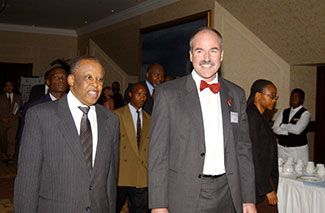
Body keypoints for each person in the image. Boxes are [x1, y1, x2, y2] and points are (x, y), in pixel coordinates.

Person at [148, 27, 256, 213]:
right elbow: (158, 154)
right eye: (200, 51)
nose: (207, 58)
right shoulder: (168, 94)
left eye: (213, 50)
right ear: (191, 56)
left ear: (221, 55)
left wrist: (248, 198)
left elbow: (243, 150)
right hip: (185, 194)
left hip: (229, 193)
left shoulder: (236, 94)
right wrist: (158, 204)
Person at [14, 56, 120, 213]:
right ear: (71, 80)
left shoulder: (111, 119)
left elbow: (110, 178)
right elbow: (27, 180)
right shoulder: (40, 116)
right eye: (88, 77)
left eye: (100, 79)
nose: (96, 84)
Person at [115, 83, 150, 213]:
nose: (142, 98)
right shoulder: (117, 115)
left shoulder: (149, 118)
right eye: (139, 94)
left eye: (145, 95)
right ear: (130, 94)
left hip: (141, 174)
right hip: (122, 173)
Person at [246, 79, 279, 212]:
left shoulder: (260, 117)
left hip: (263, 180)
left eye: (275, 97)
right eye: (271, 96)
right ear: (258, 96)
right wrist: (267, 188)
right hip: (259, 184)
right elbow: (254, 156)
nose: (274, 100)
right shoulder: (252, 117)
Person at [18, 66, 68, 147]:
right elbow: (25, 139)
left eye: (64, 77)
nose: (61, 79)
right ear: (48, 82)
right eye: (56, 77)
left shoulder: (75, 106)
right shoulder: (33, 107)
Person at [273, 88, 311, 163]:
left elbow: (297, 130)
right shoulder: (284, 111)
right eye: (292, 97)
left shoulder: (305, 113)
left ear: (302, 100)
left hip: (297, 150)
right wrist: (286, 132)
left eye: (296, 97)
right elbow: (275, 127)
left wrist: (283, 126)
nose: (293, 99)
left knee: (298, 171)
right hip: (282, 149)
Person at [0, 81, 23, 166]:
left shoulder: (18, 97)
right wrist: (2, 118)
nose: (9, 87)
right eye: (7, 86)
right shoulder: (1, 97)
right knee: (4, 140)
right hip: (3, 122)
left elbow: (21, 107)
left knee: (11, 140)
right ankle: (5, 155)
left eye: (11, 86)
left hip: (14, 122)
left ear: (13, 87)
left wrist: (19, 113)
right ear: (5, 87)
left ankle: (10, 157)